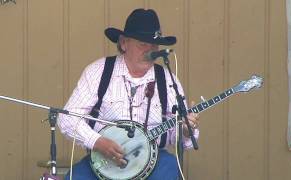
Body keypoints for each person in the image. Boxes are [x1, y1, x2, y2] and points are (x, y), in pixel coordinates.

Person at [58, 8, 200, 180]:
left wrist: (185, 130)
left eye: (154, 46)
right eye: (143, 45)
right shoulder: (99, 72)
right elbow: (67, 118)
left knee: (170, 167)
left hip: (153, 163)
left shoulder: (168, 80)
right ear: (124, 43)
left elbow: (176, 137)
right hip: (103, 161)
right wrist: (97, 141)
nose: (150, 51)